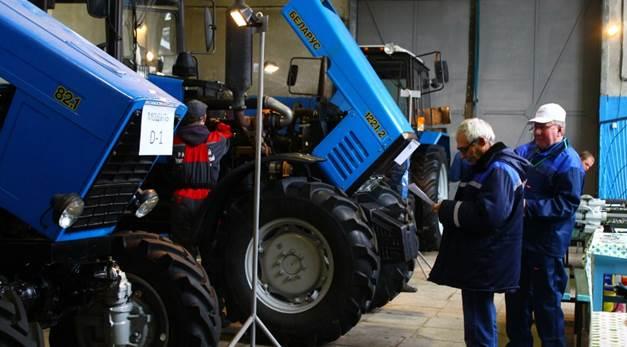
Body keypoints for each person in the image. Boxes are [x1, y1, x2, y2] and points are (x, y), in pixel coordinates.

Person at [429, 118, 528, 347]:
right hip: (481, 259)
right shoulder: (486, 167)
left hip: (485, 260)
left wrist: (446, 209)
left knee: (479, 323)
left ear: (482, 142)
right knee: (479, 320)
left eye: (464, 149)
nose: (462, 155)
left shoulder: (499, 169)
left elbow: (488, 216)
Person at [506, 103, 585, 347]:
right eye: (535, 128)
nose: (537, 132)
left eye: (543, 127)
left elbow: (566, 204)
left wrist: (529, 207)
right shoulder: (528, 151)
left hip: (546, 245)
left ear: (560, 130)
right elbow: (509, 161)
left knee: (546, 305)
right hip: (521, 241)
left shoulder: (569, 163)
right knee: (516, 299)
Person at [170, 99, 230, 255]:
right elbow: (228, 132)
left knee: (182, 250)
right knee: (208, 245)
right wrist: (217, 123)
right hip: (207, 200)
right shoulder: (214, 141)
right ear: (203, 118)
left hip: (181, 199)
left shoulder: (174, 141)